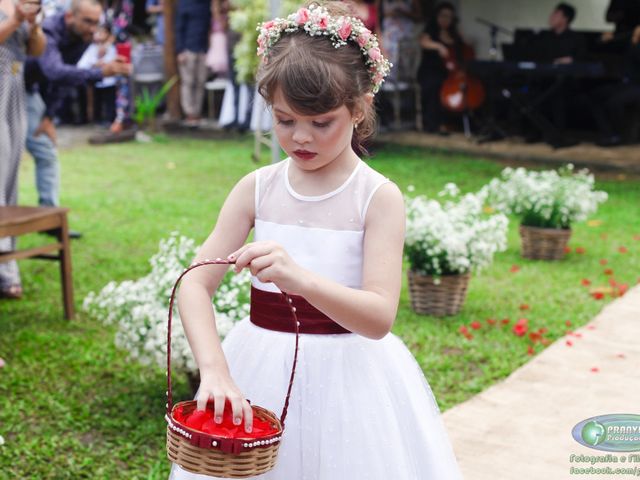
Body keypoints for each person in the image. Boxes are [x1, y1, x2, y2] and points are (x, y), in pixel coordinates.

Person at [169, 3, 463, 479]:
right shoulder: (258, 188)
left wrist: (299, 279)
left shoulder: (377, 198)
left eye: (320, 122)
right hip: (259, 366)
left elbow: (378, 317)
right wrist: (215, 369)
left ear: (359, 107)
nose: (300, 137)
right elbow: (194, 284)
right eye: (284, 120)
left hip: (351, 382)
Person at [23, 0, 130, 237]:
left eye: (96, 23)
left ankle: (49, 220)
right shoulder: (49, 30)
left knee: (45, 150)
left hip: (29, 92)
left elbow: (64, 80)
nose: (93, 29)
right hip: (10, 88)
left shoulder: (81, 38)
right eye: (87, 21)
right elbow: (55, 71)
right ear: (70, 17)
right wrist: (100, 72)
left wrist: (49, 116)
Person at [0, 0, 46, 300]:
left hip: (15, 83)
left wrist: (35, 25)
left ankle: (7, 263)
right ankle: (5, 269)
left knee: (10, 175)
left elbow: (36, 50)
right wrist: (15, 19)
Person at [418, 1, 465, 134]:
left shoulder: (454, 33)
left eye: (449, 17)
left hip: (450, 73)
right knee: (434, 84)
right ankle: (432, 124)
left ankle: (451, 123)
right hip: (430, 70)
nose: (446, 20)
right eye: (443, 16)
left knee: (456, 87)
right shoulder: (430, 30)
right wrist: (439, 46)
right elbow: (423, 42)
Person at [589, 25, 640, 146]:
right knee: (595, 96)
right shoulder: (632, 40)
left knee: (614, 102)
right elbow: (610, 42)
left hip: (637, 86)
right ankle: (609, 134)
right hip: (625, 84)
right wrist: (605, 39)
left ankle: (621, 135)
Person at [175, 0, 211, 127]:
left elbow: (208, 26)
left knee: (200, 81)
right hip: (187, 49)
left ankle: (197, 112)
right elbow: (179, 28)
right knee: (188, 82)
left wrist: (207, 49)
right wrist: (180, 50)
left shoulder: (205, 4)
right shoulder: (184, 3)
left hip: (202, 49)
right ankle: (189, 113)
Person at [77, 21, 117, 125]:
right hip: (96, 80)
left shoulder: (112, 48)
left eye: (103, 32)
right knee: (97, 101)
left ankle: (109, 119)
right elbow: (81, 64)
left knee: (110, 102)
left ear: (108, 34)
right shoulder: (92, 48)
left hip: (109, 81)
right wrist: (95, 64)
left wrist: (105, 63)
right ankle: (97, 120)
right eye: (97, 32)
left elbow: (115, 62)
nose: (99, 35)